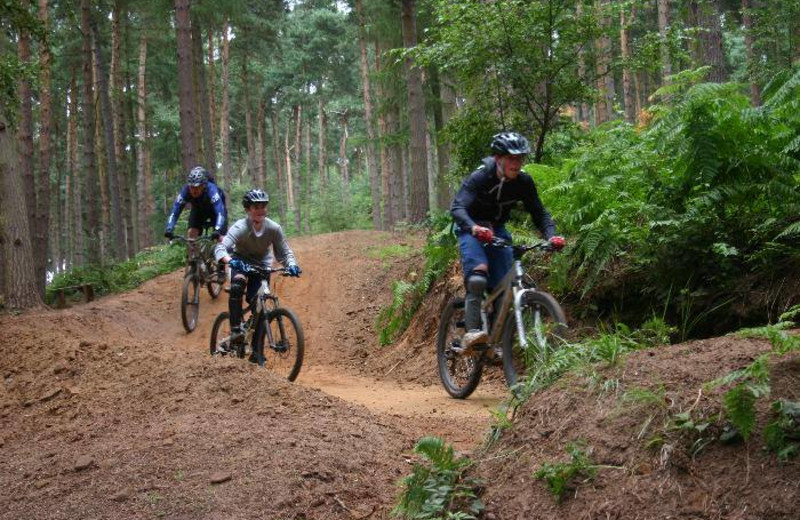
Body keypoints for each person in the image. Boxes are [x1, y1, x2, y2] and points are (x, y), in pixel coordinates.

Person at [450, 131, 565, 352]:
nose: (517, 163)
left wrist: (551, 235)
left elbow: (539, 213)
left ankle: (495, 339)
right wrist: (474, 227)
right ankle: (472, 332)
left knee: (505, 287)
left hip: (498, 231)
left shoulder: (523, 182)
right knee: (478, 278)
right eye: (512, 158)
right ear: (498, 158)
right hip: (471, 227)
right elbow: (457, 207)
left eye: (520, 158)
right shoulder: (481, 177)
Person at [214, 189, 302, 361]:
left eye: (263, 206)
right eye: (256, 206)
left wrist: (292, 264)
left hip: (262, 266)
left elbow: (284, 252)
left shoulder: (274, 228)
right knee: (238, 284)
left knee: (261, 308)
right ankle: (235, 330)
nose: (261, 209)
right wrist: (229, 260)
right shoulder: (240, 227)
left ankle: (256, 352)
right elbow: (220, 247)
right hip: (239, 262)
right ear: (248, 209)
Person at [163, 166, 227, 241]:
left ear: (203, 185)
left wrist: (218, 229)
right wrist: (169, 228)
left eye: (196, 187)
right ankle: (193, 252)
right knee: (191, 234)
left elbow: (220, 212)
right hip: (198, 210)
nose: (193, 190)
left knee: (221, 239)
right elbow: (175, 211)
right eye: (191, 187)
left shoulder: (211, 190)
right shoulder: (185, 190)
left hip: (216, 212)